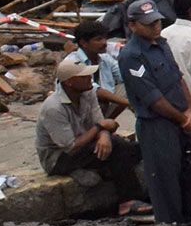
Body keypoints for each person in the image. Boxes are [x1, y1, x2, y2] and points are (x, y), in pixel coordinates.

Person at [118, 0, 191, 226]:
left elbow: (178, 79)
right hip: (157, 125)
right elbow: (152, 98)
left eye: (157, 22)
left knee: (190, 174)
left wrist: (190, 111)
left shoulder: (162, 44)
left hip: (180, 120)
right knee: (165, 180)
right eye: (149, 24)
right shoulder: (131, 55)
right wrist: (182, 118)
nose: (155, 27)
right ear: (133, 25)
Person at [35, 51, 139, 204]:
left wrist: (104, 135)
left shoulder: (88, 93)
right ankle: (128, 201)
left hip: (84, 144)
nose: (90, 78)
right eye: (84, 76)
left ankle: (128, 197)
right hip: (58, 157)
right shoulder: (53, 107)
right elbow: (70, 147)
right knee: (119, 149)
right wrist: (100, 128)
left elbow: (99, 121)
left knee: (126, 148)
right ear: (69, 82)